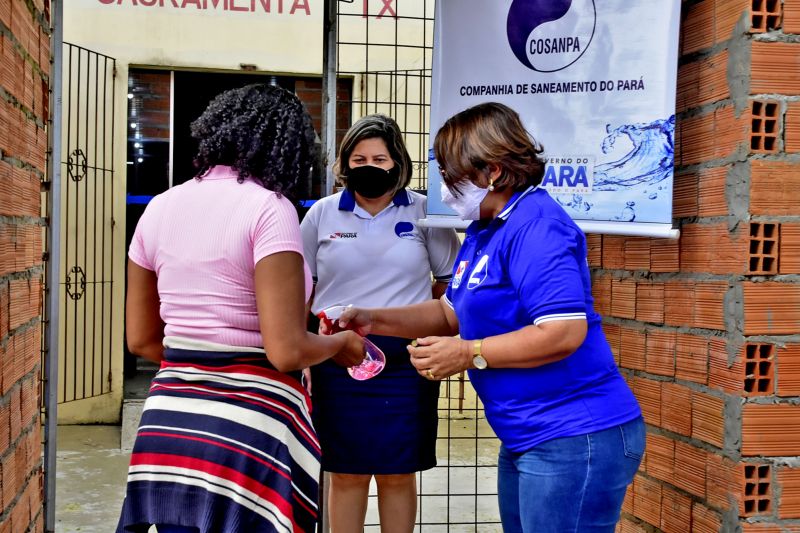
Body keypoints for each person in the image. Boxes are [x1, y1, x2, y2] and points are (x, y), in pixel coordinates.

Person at [327, 102, 645, 533]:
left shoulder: (537, 227)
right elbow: (448, 312)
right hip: (525, 434)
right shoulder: (485, 228)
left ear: (492, 171)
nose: (443, 186)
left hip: (573, 433)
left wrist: (468, 353)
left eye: (451, 174)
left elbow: (563, 332)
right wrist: (371, 319)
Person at [117, 84, 365, 533]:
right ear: (288, 147)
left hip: (167, 425)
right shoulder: (270, 209)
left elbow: (141, 339)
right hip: (246, 431)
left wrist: (201, 366)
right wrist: (339, 344)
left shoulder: (158, 207)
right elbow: (286, 351)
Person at [300, 114, 461, 532]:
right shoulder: (322, 214)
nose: (369, 165)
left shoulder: (426, 212)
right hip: (338, 358)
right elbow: (298, 285)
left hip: (407, 360)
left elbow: (449, 285)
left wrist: (425, 329)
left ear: (398, 163)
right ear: (344, 164)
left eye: (380, 158)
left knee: (397, 471)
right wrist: (308, 346)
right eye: (358, 158)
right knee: (346, 469)